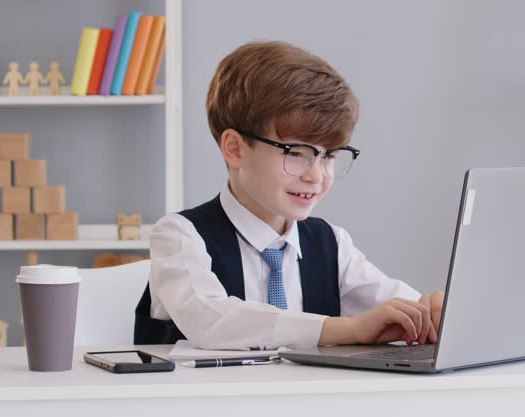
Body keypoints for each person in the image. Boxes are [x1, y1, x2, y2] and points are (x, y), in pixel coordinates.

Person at [135, 41, 444, 351]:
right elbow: (211, 320)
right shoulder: (178, 236)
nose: (316, 175)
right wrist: (346, 329)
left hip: (305, 400)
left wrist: (430, 313)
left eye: (329, 156)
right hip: (201, 399)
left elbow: (398, 303)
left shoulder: (331, 243)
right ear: (235, 148)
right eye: (296, 153)